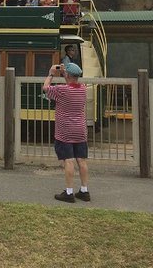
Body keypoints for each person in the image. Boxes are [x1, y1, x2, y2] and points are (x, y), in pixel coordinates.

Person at [42, 62, 91, 203]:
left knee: (68, 161)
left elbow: (45, 88)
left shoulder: (61, 90)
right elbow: (72, 83)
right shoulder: (83, 89)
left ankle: (69, 193)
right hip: (80, 130)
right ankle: (84, 190)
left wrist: (51, 73)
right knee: (82, 160)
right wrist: (65, 73)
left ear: (67, 75)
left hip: (65, 131)